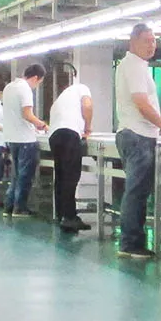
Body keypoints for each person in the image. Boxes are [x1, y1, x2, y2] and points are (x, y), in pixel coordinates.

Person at [114, 23, 161, 259]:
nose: (152, 45)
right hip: (137, 135)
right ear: (133, 42)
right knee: (136, 192)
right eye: (146, 40)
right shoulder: (133, 66)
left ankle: (132, 241)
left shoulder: (135, 65)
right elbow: (142, 104)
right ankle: (130, 243)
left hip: (137, 134)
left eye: (154, 40)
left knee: (138, 192)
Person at [1, 64, 49, 217]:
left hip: (11, 138)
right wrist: (42, 125)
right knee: (25, 176)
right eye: (39, 82)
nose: (37, 86)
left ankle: (9, 207)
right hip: (25, 140)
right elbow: (27, 114)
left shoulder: (9, 87)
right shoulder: (25, 89)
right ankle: (20, 208)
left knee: (16, 175)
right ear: (35, 78)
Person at [48, 74, 94, 233]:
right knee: (70, 176)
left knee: (61, 176)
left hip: (54, 136)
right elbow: (87, 106)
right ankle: (69, 217)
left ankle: (61, 214)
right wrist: (88, 127)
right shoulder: (82, 88)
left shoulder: (60, 99)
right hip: (69, 134)